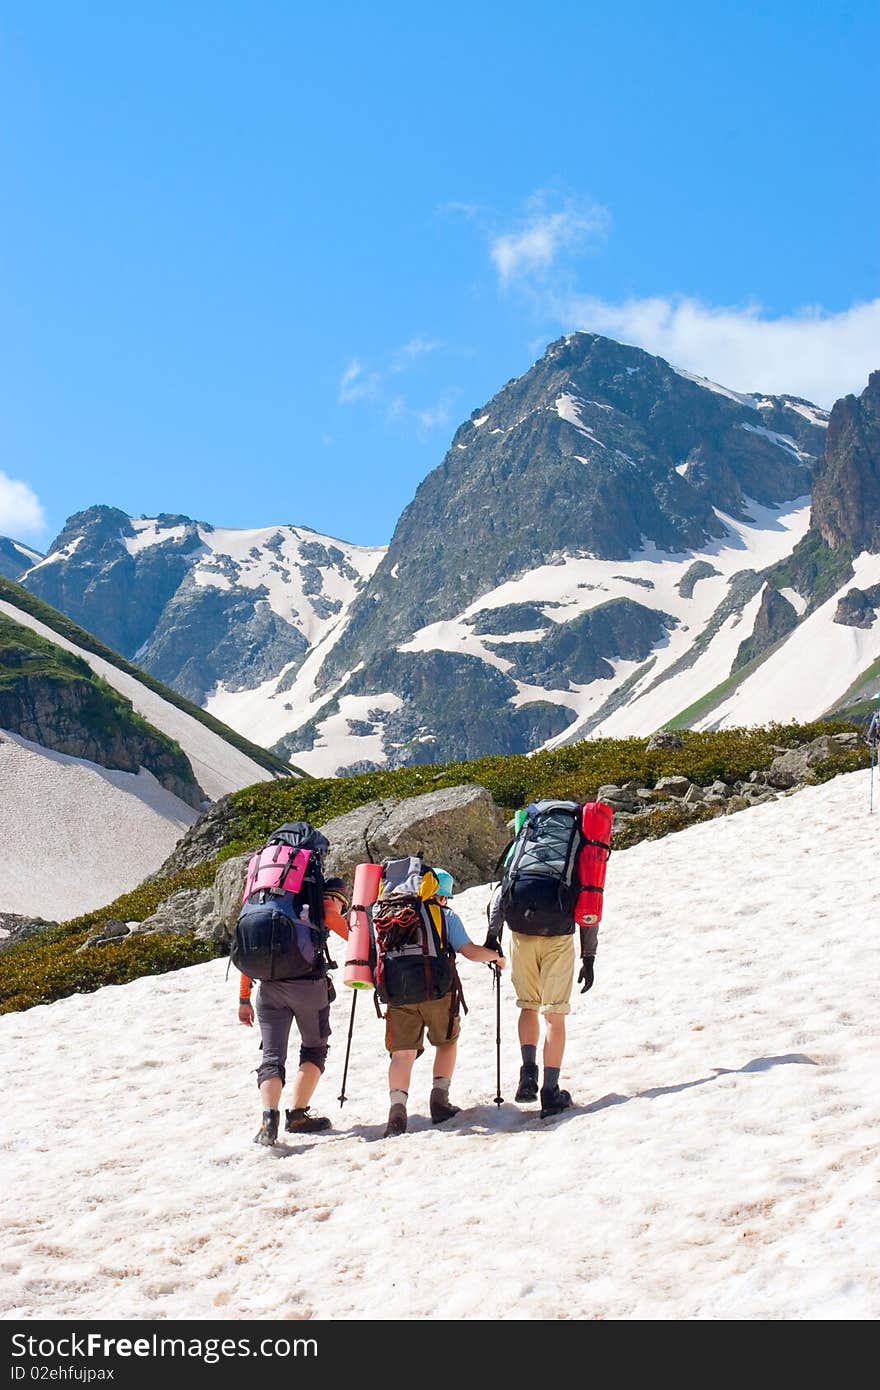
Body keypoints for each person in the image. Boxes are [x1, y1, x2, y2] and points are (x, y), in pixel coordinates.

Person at [377, 866, 505, 1138]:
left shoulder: (390, 915)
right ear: (440, 895)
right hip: (438, 991)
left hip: (398, 994)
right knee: (446, 1043)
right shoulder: (444, 915)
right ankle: (439, 1101)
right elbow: (469, 952)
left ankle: (397, 1113)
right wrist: (495, 957)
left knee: (402, 1054)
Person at [238, 876, 350, 1146]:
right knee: (314, 1048)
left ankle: (268, 1120)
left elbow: (248, 955)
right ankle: (298, 1115)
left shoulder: (271, 908)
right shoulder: (324, 906)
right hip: (308, 988)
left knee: (272, 1057)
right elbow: (355, 940)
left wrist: (244, 999)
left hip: (268, 989)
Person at [486, 878, 597, 1120]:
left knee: (527, 1005)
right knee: (554, 1015)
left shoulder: (525, 844)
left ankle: (527, 1076)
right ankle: (550, 1092)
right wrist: (588, 955)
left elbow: (500, 892)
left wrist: (492, 934)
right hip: (558, 936)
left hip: (521, 935)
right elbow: (589, 902)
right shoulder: (574, 846)